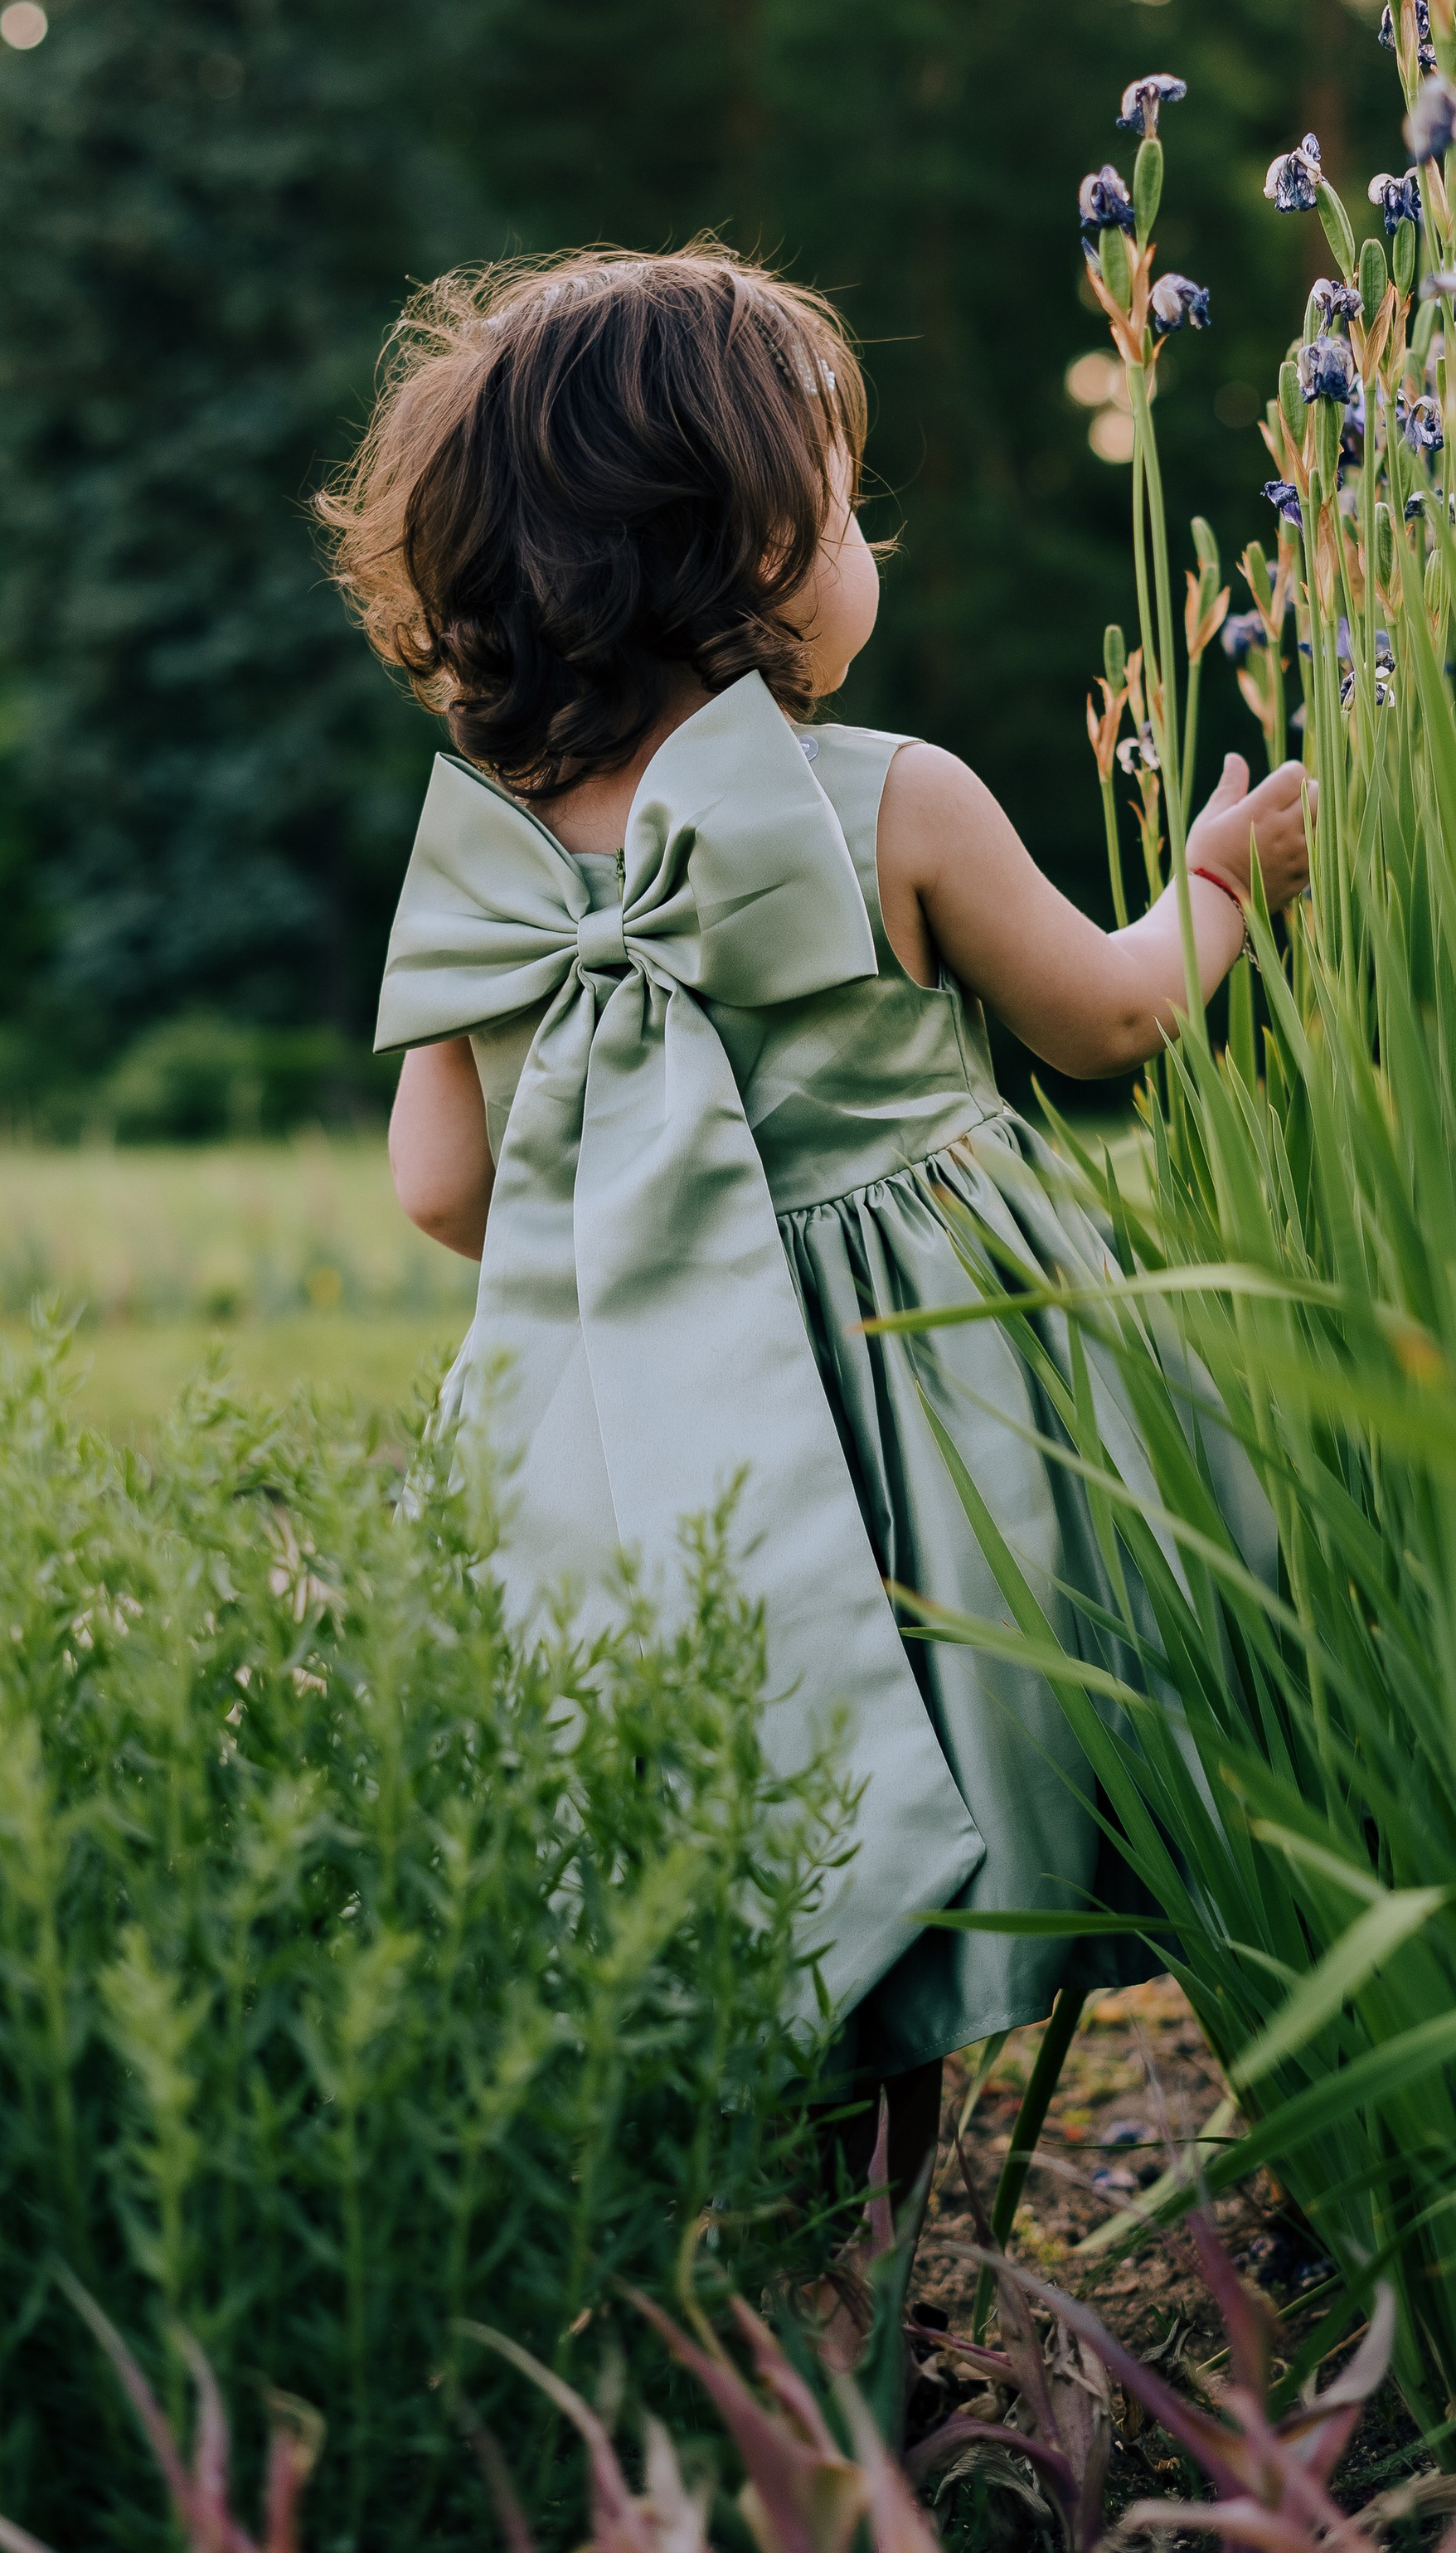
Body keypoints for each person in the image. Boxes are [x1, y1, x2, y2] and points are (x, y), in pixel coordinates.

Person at [318, 244, 1309, 2211]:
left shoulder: (486, 867)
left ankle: (796, 2286)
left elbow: (443, 1187)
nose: (873, 542)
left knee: (743, 1799)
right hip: (942, 1400)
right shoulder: (895, 803)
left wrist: (655, 1239)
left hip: (647, 1432)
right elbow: (1106, 1017)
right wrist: (1215, 878)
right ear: (752, 556)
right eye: (850, 505)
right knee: (1057, 1714)